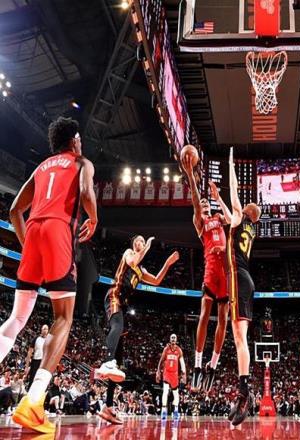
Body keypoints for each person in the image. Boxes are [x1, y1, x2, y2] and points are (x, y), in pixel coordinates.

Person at [0, 116, 98, 434]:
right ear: (75, 140)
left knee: (17, 319)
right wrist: (94, 218)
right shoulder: (81, 162)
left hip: (34, 232)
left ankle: (32, 401)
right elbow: (86, 192)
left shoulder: (42, 167)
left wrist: (29, 246)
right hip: (57, 231)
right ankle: (33, 402)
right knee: (63, 317)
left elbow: (15, 209)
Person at [95, 236, 179, 424]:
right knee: (117, 326)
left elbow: (156, 281)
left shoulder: (141, 270)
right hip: (114, 295)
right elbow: (133, 261)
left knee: (119, 360)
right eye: (140, 241)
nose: (142, 243)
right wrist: (147, 246)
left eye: (143, 241)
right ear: (135, 244)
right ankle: (106, 361)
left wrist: (167, 263)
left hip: (123, 305)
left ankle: (108, 407)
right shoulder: (129, 254)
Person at [181, 155, 232, 393]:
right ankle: (198, 364)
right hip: (211, 271)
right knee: (204, 316)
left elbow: (231, 219)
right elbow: (194, 198)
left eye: (205, 202)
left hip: (226, 273)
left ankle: (213, 364)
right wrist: (191, 176)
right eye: (201, 203)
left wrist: (218, 198)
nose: (203, 204)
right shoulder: (200, 221)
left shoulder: (219, 218)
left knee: (224, 320)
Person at [225, 148, 261, 426]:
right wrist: (218, 200)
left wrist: (230, 165)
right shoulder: (248, 227)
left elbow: (234, 190)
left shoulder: (241, 218)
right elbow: (230, 215)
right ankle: (244, 391)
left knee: (239, 339)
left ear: (248, 211)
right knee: (241, 338)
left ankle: (244, 393)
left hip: (238, 277)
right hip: (246, 278)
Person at [156, 334, 186, 420]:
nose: (173, 339)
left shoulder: (179, 350)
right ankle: (163, 410)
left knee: (175, 394)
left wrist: (184, 373)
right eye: (172, 338)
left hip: (175, 374)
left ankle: (176, 410)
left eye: (174, 338)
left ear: (176, 340)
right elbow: (161, 360)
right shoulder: (166, 349)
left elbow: (182, 362)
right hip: (167, 373)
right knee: (165, 391)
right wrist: (158, 371)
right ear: (170, 339)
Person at [25, 324, 49, 390]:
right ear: (41, 330)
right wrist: (27, 366)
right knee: (32, 380)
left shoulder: (48, 340)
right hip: (35, 361)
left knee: (40, 381)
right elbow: (29, 352)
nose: (45, 330)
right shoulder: (36, 338)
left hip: (44, 363)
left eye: (46, 329)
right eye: (44, 329)